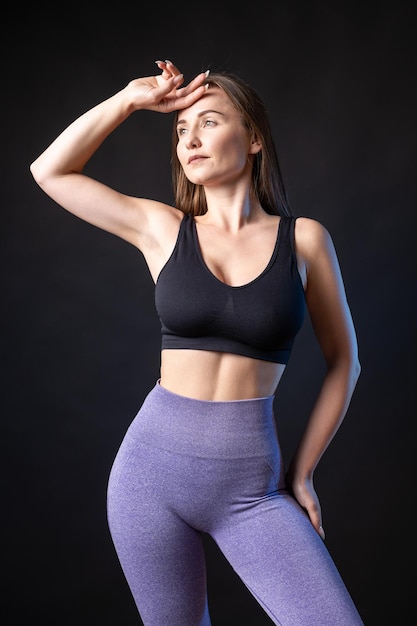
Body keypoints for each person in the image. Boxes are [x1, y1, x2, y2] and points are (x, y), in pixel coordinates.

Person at [30, 59, 364, 625]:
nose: (190, 139)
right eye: (182, 131)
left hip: (252, 491)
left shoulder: (304, 241)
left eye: (209, 121)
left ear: (253, 138)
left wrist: (302, 472)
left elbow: (344, 364)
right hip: (148, 481)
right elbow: (50, 171)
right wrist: (131, 99)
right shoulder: (163, 229)